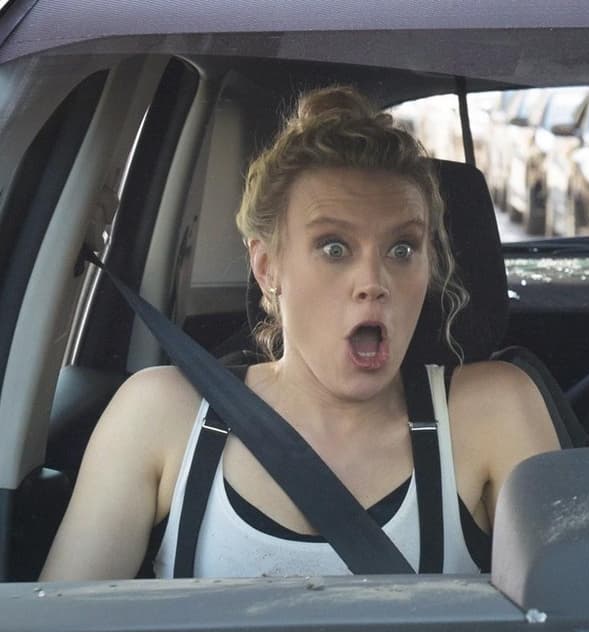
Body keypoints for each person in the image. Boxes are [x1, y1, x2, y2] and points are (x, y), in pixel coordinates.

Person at [41, 86, 561, 580]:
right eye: (334, 248)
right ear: (267, 267)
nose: (374, 282)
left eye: (402, 249)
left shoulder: (493, 412)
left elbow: (573, 619)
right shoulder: (160, 415)